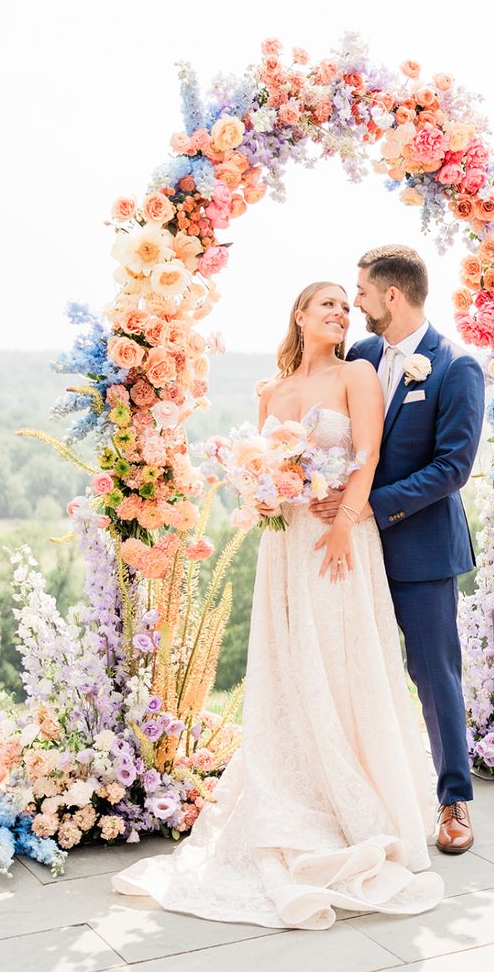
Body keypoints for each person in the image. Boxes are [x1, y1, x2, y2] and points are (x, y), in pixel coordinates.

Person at [112, 280, 445, 930]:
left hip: (339, 534)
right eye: (327, 304)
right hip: (284, 541)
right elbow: (261, 468)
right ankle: (296, 789)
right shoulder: (270, 390)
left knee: (343, 657)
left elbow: (369, 451)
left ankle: (362, 794)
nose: (339, 314)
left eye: (346, 308)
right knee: (290, 661)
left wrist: (348, 519)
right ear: (299, 314)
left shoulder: (357, 374)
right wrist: (262, 492)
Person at [311, 247, 484, 854]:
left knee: (433, 673)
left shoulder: (456, 366)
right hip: (349, 550)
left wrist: (365, 507)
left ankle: (454, 802)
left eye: (361, 291)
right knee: (353, 667)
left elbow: (452, 467)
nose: (354, 302)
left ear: (392, 296)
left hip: (420, 547)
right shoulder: (360, 356)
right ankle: (360, 796)